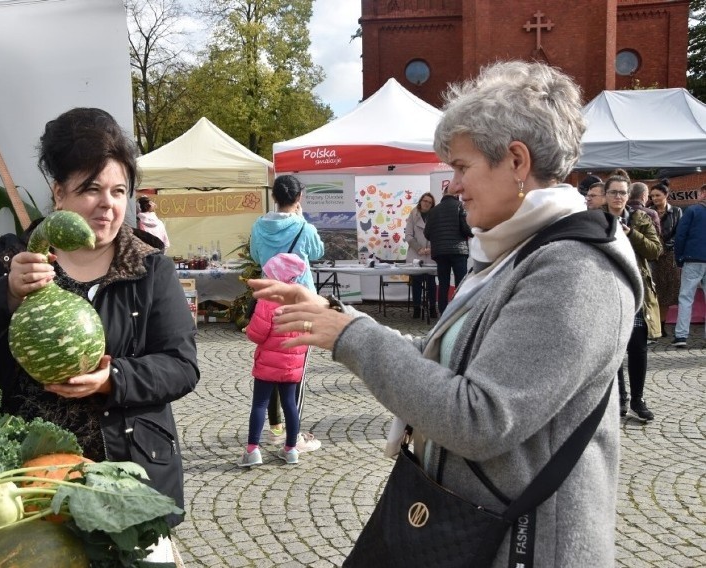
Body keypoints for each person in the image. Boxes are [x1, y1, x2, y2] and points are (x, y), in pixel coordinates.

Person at [249, 61, 641, 567]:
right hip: (475, 527)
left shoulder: (575, 270)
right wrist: (334, 314)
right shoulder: (517, 252)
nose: (452, 186)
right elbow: (448, 360)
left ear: (517, 161)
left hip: (525, 545)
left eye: (461, 166)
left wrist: (354, 336)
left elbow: (478, 417)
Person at [0, 108, 199, 561]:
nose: (108, 204)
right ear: (59, 193)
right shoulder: (16, 258)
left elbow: (181, 366)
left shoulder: (150, 268)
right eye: (91, 189)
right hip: (24, 486)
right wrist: (7, 295)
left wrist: (112, 377)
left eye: (119, 191)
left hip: (123, 482)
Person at [249, 174, 324, 453]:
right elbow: (317, 251)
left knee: (268, 364)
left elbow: (257, 256)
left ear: (274, 197)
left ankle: (275, 427)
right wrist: (304, 222)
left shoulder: (259, 225)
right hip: (300, 301)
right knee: (294, 369)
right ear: (299, 198)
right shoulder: (302, 227)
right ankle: (296, 438)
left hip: (269, 299)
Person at [238, 253, 310, 467]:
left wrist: (248, 330)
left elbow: (258, 333)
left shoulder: (267, 299)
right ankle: (291, 450)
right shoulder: (302, 296)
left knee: (260, 403)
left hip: (269, 361)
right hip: (292, 362)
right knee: (290, 404)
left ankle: (252, 450)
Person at [603, 175, 662, 420]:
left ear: (629, 196)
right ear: (606, 195)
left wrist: (631, 234)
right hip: (605, 291)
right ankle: (620, 398)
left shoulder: (639, 218)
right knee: (613, 349)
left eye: (622, 193)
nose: (618, 197)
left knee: (637, 348)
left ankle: (638, 398)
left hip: (635, 292)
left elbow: (655, 250)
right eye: (614, 192)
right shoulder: (596, 219)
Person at [423, 181, 472, 315]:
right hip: (458, 251)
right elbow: (466, 229)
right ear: (456, 195)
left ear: (443, 194)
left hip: (440, 253)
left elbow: (427, 233)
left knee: (443, 284)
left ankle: (443, 313)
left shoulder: (433, 211)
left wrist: (438, 238)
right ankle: (457, 313)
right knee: (460, 283)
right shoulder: (460, 207)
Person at [672, 184, 706, 348]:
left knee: (686, 297)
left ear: (702, 194)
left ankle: (681, 336)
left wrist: (679, 258)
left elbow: (681, 235)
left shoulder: (692, 211)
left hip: (693, 258)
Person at [649, 181, 683, 336]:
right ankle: (652, 325)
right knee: (652, 292)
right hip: (651, 255)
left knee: (667, 293)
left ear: (666, 195)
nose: (655, 198)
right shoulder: (648, 211)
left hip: (668, 256)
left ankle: (661, 325)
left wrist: (666, 246)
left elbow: (679, 234)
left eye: (658, 195)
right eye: (652, 196)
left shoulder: (676, 211)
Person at [404, 192, 438, 319]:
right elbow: (408, 235)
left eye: (429, 202)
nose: (427, 203)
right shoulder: (413, 214)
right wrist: (419, 249)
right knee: (417, 281)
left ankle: (432, 308)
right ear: (420, 201)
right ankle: (417, 308)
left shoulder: (436, 215)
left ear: (432, 205)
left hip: (430, 253)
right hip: (416, 253)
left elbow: (439, 235)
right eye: (425, 200)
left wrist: (431, 248)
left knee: (431, 282)